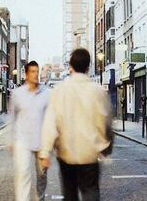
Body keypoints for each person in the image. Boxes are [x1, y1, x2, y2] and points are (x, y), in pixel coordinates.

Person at [39, 48, 113, 201]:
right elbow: (106, 122)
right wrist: (106, 148)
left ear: (70, 66)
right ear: (88, 67)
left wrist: (45, 152)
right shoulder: (98, 91)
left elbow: (50, 123)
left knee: (70, 194)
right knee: (91, 192)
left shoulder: (60, 90)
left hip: (67, 153)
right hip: (90, 153)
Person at [10, 61, 50, 201]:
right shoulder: (18, 94)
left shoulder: (47, 94)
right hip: (23, 141)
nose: (36, 74)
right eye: (32, 71)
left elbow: (50, 119)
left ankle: (40, 199)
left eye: (37, 71)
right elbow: (12, 118)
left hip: (41, 141)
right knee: (23, 174)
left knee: (42, 176)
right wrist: (12, 140)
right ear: (26, 74)